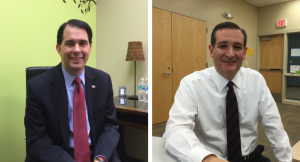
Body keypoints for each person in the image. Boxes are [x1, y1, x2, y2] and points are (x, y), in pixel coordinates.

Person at [163, 22, 292, 162]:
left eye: (237, 47)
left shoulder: (256, 80)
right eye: (223, 46)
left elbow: (274, 126)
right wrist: (208, 159)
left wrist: (286, 160)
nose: (230, 54)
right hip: (209, 158)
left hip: (250, 157)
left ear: (244, 52)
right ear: (211, 50)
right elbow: (175, 130)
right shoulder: (191, 84)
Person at [24, 19, 120, 162]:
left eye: (82, 43)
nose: (77, 50)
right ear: (59, 49)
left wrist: (100, 158)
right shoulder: (37, 87)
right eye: (70, 43)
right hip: (57, 156)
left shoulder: (103, 80)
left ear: (90, 47)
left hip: (97, 155)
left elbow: (110, 126)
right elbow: (37, 139)